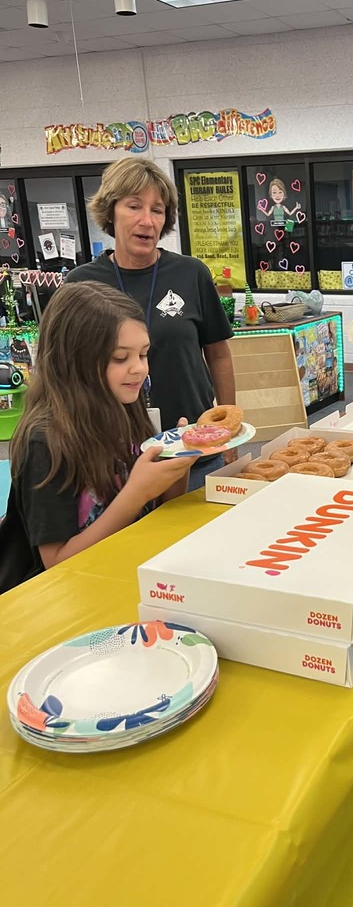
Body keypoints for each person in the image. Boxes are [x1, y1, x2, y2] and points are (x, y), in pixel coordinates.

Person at [0, 282, 195, 594]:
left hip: (130, 576)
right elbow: (58, 564)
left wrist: (176, 462)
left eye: (143, 354)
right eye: (120, 358)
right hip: (69, 599)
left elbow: (157, 511)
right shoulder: (46, 441)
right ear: (74, 360)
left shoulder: (125, 407)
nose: (139, 369)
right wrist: (135, 493)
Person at [65, 156, 236, 491]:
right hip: (112, 461)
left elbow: (219, 354)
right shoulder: (80, 285)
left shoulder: (191, 274)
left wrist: (227, 432)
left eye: (157, 210)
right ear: (111, 211)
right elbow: (66, 373)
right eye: (133, 206)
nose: (146, 220)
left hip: (194, 450)